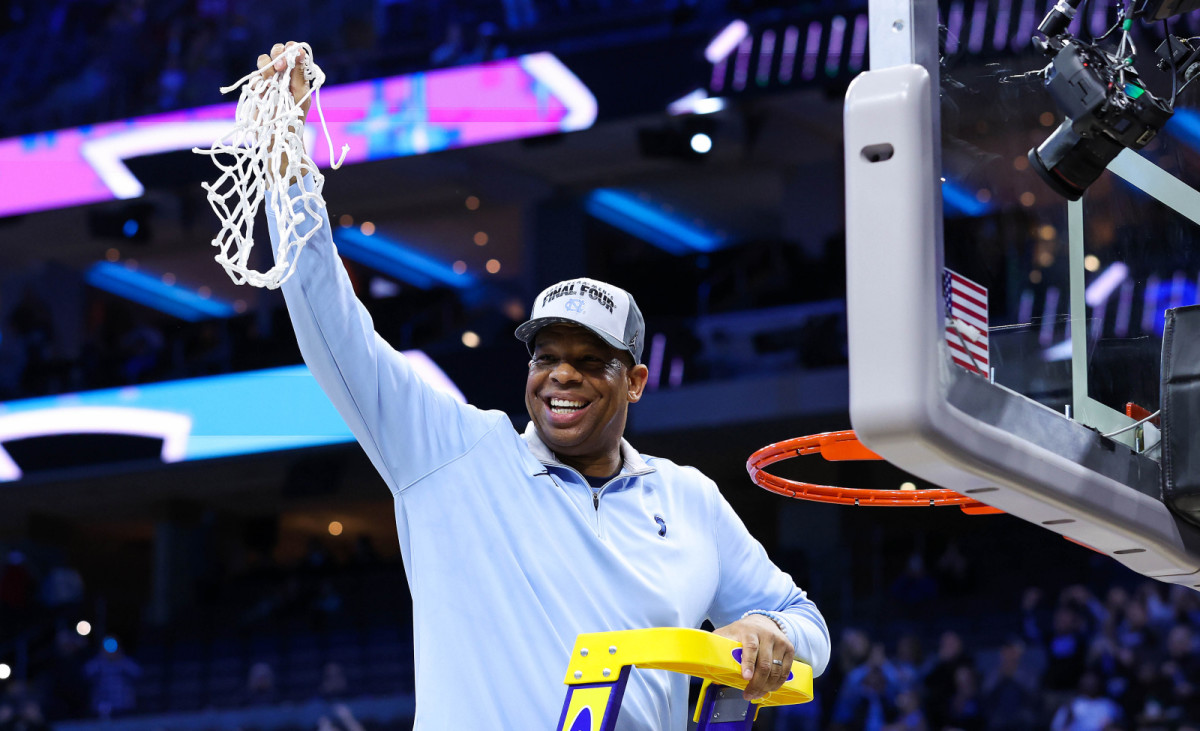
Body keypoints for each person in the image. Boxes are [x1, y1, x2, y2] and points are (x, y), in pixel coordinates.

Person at [258, 41, 830, 729]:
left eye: (590, 360)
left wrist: (769, 630)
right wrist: (288, 169)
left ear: (637, 380)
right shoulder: (452, 452)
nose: (562, 373)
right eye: (546, 355)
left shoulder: (688, 500)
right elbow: (333, 329)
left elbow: (807, 622)